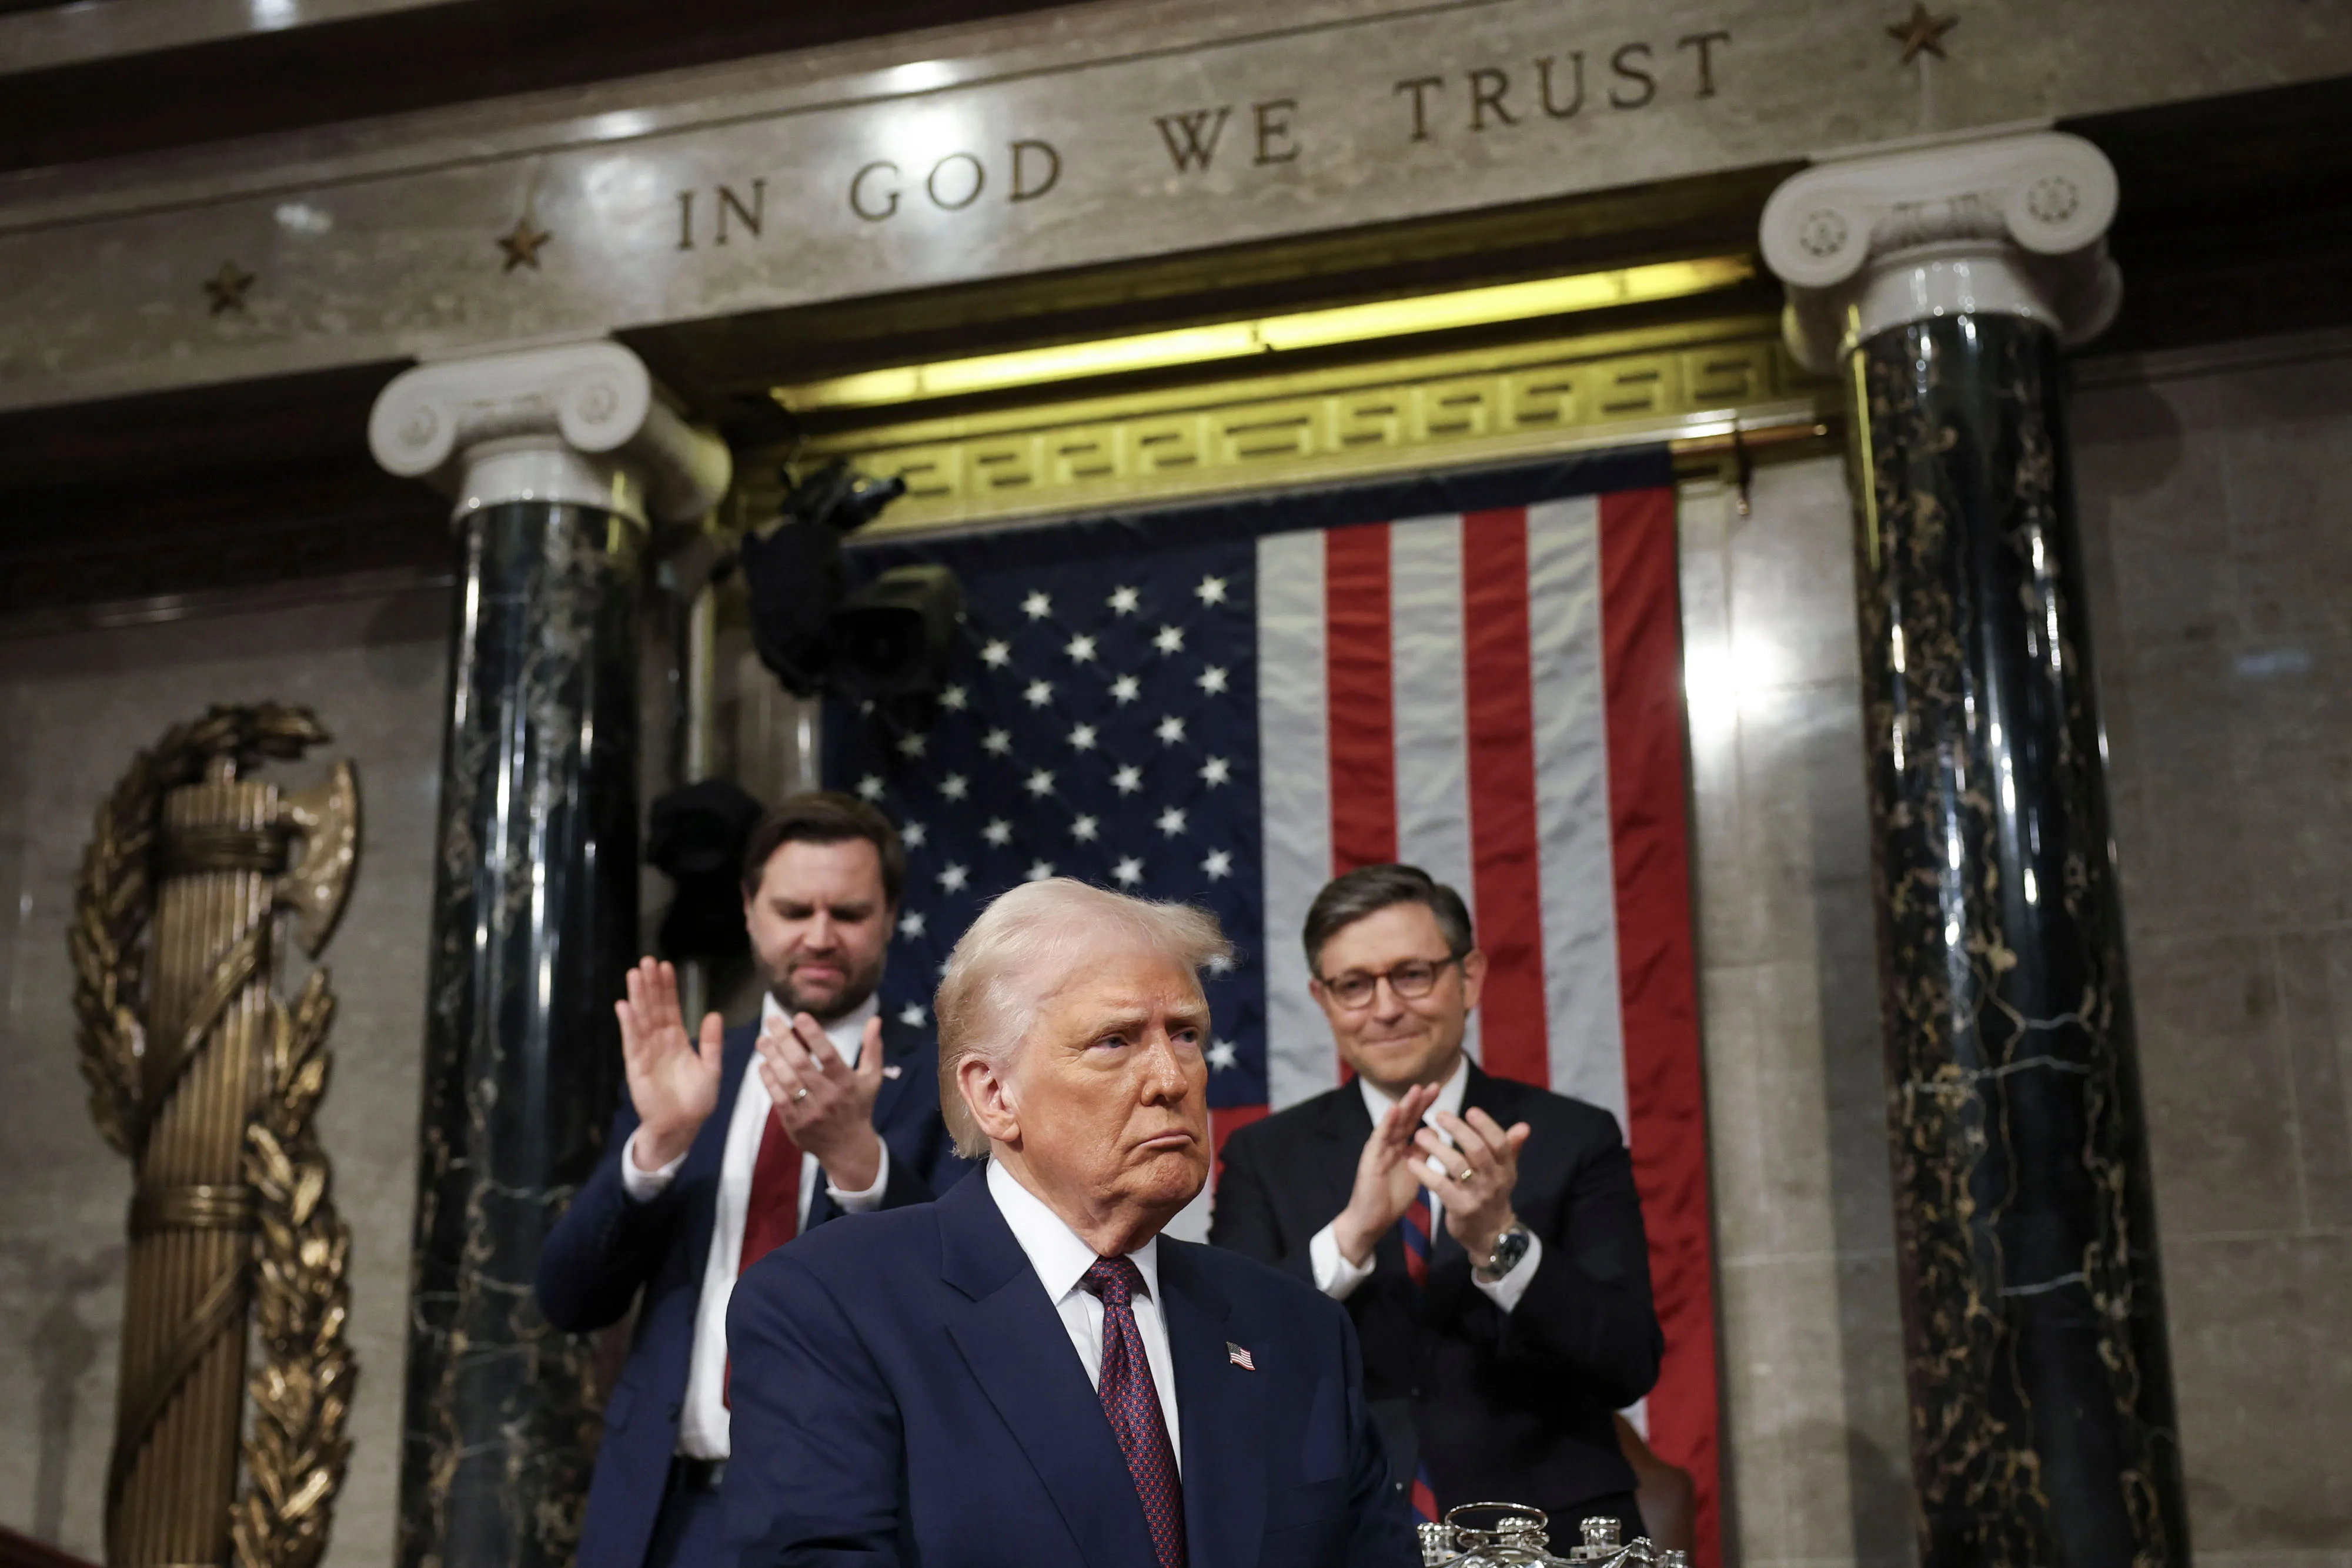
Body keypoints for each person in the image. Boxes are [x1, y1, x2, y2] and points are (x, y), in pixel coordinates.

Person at [718, 878, 1422, 1568]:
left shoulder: (1298, 1330)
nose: (1172, 1079)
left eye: (1185, 1035)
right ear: (994, 1095)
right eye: (1115, 1041)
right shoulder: (830, 1305)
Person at [536, 792, 971, 1568]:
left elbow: (966, 1304)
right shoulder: (693, 1072)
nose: (819, 935)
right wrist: (657, 1144)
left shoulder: (950, 1079)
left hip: (849, 1521)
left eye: (848, 910)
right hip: (663, 1516)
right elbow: (570, 1298)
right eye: (794, 907)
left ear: (891, 914)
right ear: (748, 908)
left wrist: (858, 1162)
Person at [1211, 863, 1663, 1537]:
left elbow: (1629, 1363)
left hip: (1549, 1531)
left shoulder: (1573, 1137)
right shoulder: (1263, 1156)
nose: (1386, 1007)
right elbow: (1228, 1360)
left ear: (1469, 977)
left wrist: (1499, 1241)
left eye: (1412, 974)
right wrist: (1351, 1237)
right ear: (1323, 999)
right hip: (1345, 1532)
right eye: (1354, 986)